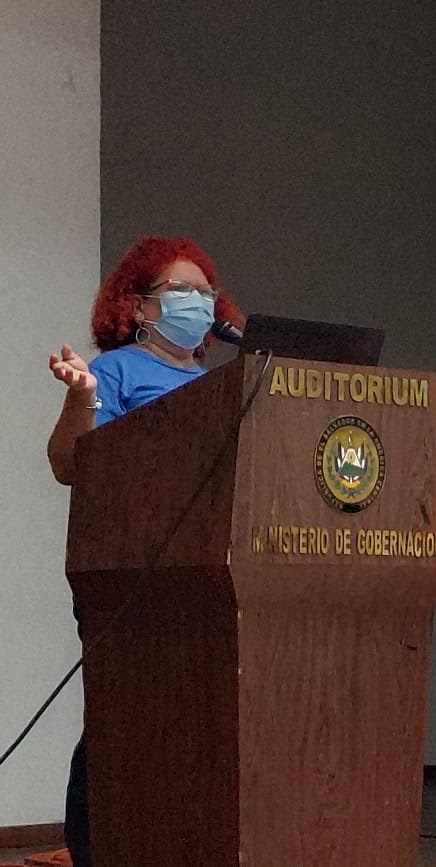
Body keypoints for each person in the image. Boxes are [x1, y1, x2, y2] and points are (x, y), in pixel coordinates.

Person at [46, 235, 243, 866]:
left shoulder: (221, 385)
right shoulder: (114, 371)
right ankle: (94, 850)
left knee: (188, 723)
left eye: (206, 293)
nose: (199, 302)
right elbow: (70, 464)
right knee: (122, 717)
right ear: (138, 307)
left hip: (208, 572)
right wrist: (81, 399)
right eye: (181, 291)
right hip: (130, 572)